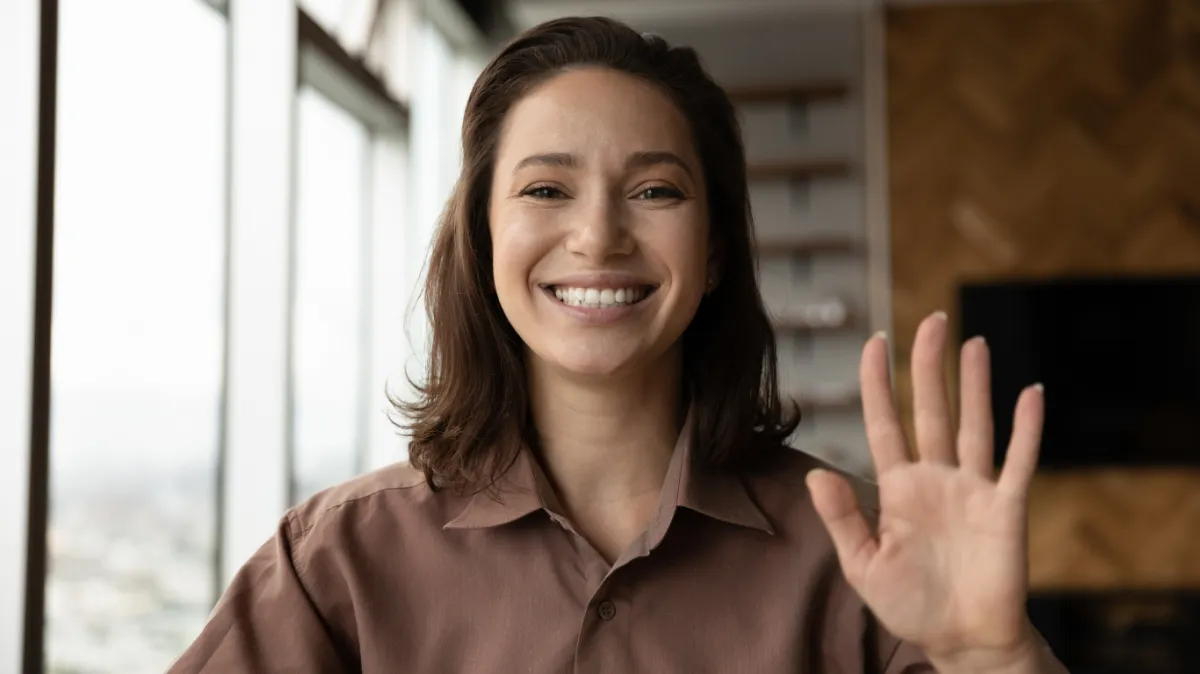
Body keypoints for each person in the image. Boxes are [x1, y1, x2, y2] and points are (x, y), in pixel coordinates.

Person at [169, 16, 1069, 673]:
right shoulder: (339, 561)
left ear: (713, 253)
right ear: (483, 244)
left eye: (656, 192)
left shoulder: (862, 561)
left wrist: (996, 657)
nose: (598, 236)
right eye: (547, 190)